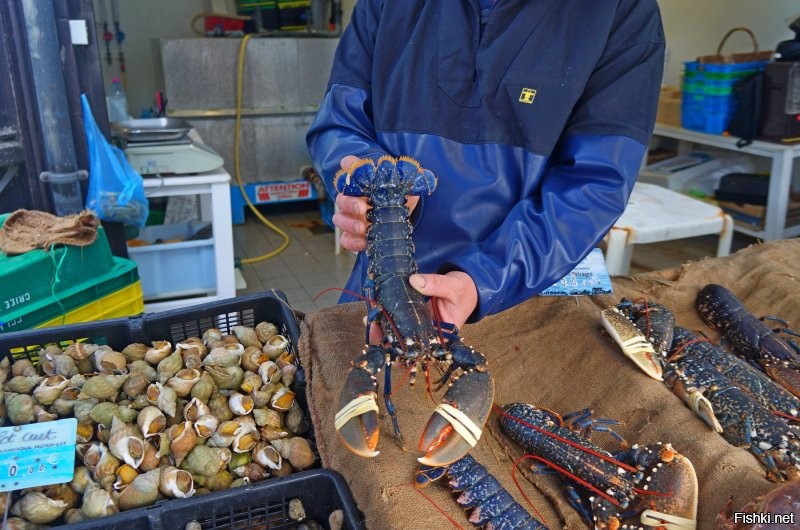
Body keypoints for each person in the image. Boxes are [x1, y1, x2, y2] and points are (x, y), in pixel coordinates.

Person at [306, 0, 665, 334]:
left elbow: (595, 184)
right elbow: (339, 123)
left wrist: (485, 278)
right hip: (383, 284)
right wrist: (374, 181)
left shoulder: (623, 10)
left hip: (530, 287)